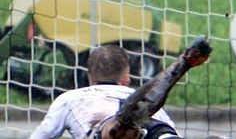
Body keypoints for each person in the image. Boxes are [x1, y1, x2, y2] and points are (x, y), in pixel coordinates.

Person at [30, 36, 212, 139]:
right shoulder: (133, 93)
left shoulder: (70, 98)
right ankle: (181, 65)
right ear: (126, 78)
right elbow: (171, 129)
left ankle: (124, 123)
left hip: (106, 130)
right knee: (157, 131)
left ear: (89, 76)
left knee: (115, 128)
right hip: (146, 125)